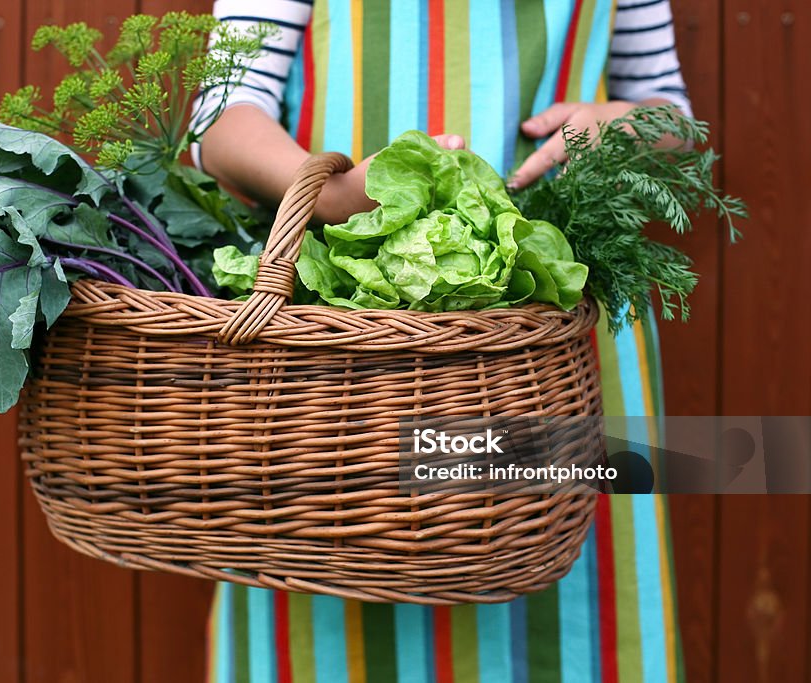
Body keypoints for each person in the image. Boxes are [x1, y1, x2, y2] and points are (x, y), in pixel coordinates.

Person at [196, 1, 691, 680]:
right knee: (336, 586)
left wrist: (628, 126)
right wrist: (329, 195)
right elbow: (220, 116)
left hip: (559, 341)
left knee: (567, 610)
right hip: (344, 352)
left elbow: (677, 116)